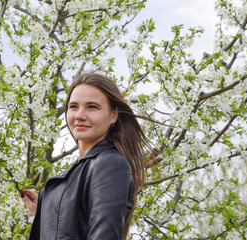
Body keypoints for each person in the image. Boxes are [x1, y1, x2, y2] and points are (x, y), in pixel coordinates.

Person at [20, 73, 150, 240]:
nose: (80, 115)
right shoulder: (74, 172)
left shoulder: (110, 164)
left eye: (92, 107)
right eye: (73, 106)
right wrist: (47, 209)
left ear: (113, 115)